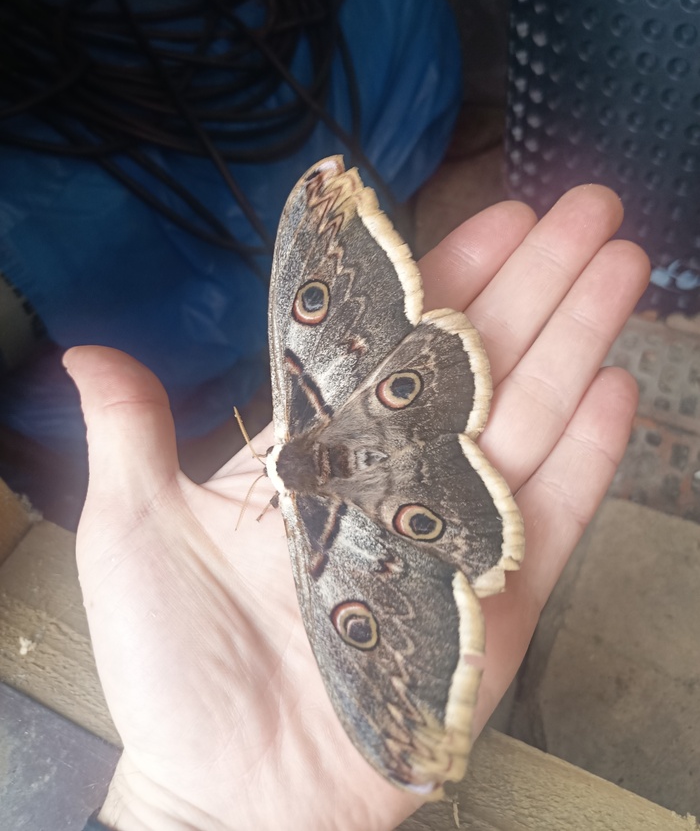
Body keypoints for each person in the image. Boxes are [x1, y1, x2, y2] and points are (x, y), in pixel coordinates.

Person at [66, 185, 650, 831]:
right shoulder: (298, 409)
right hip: (377, 411)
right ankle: (411, 732)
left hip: (393, 475)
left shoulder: (305, 533)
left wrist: (170, 811)